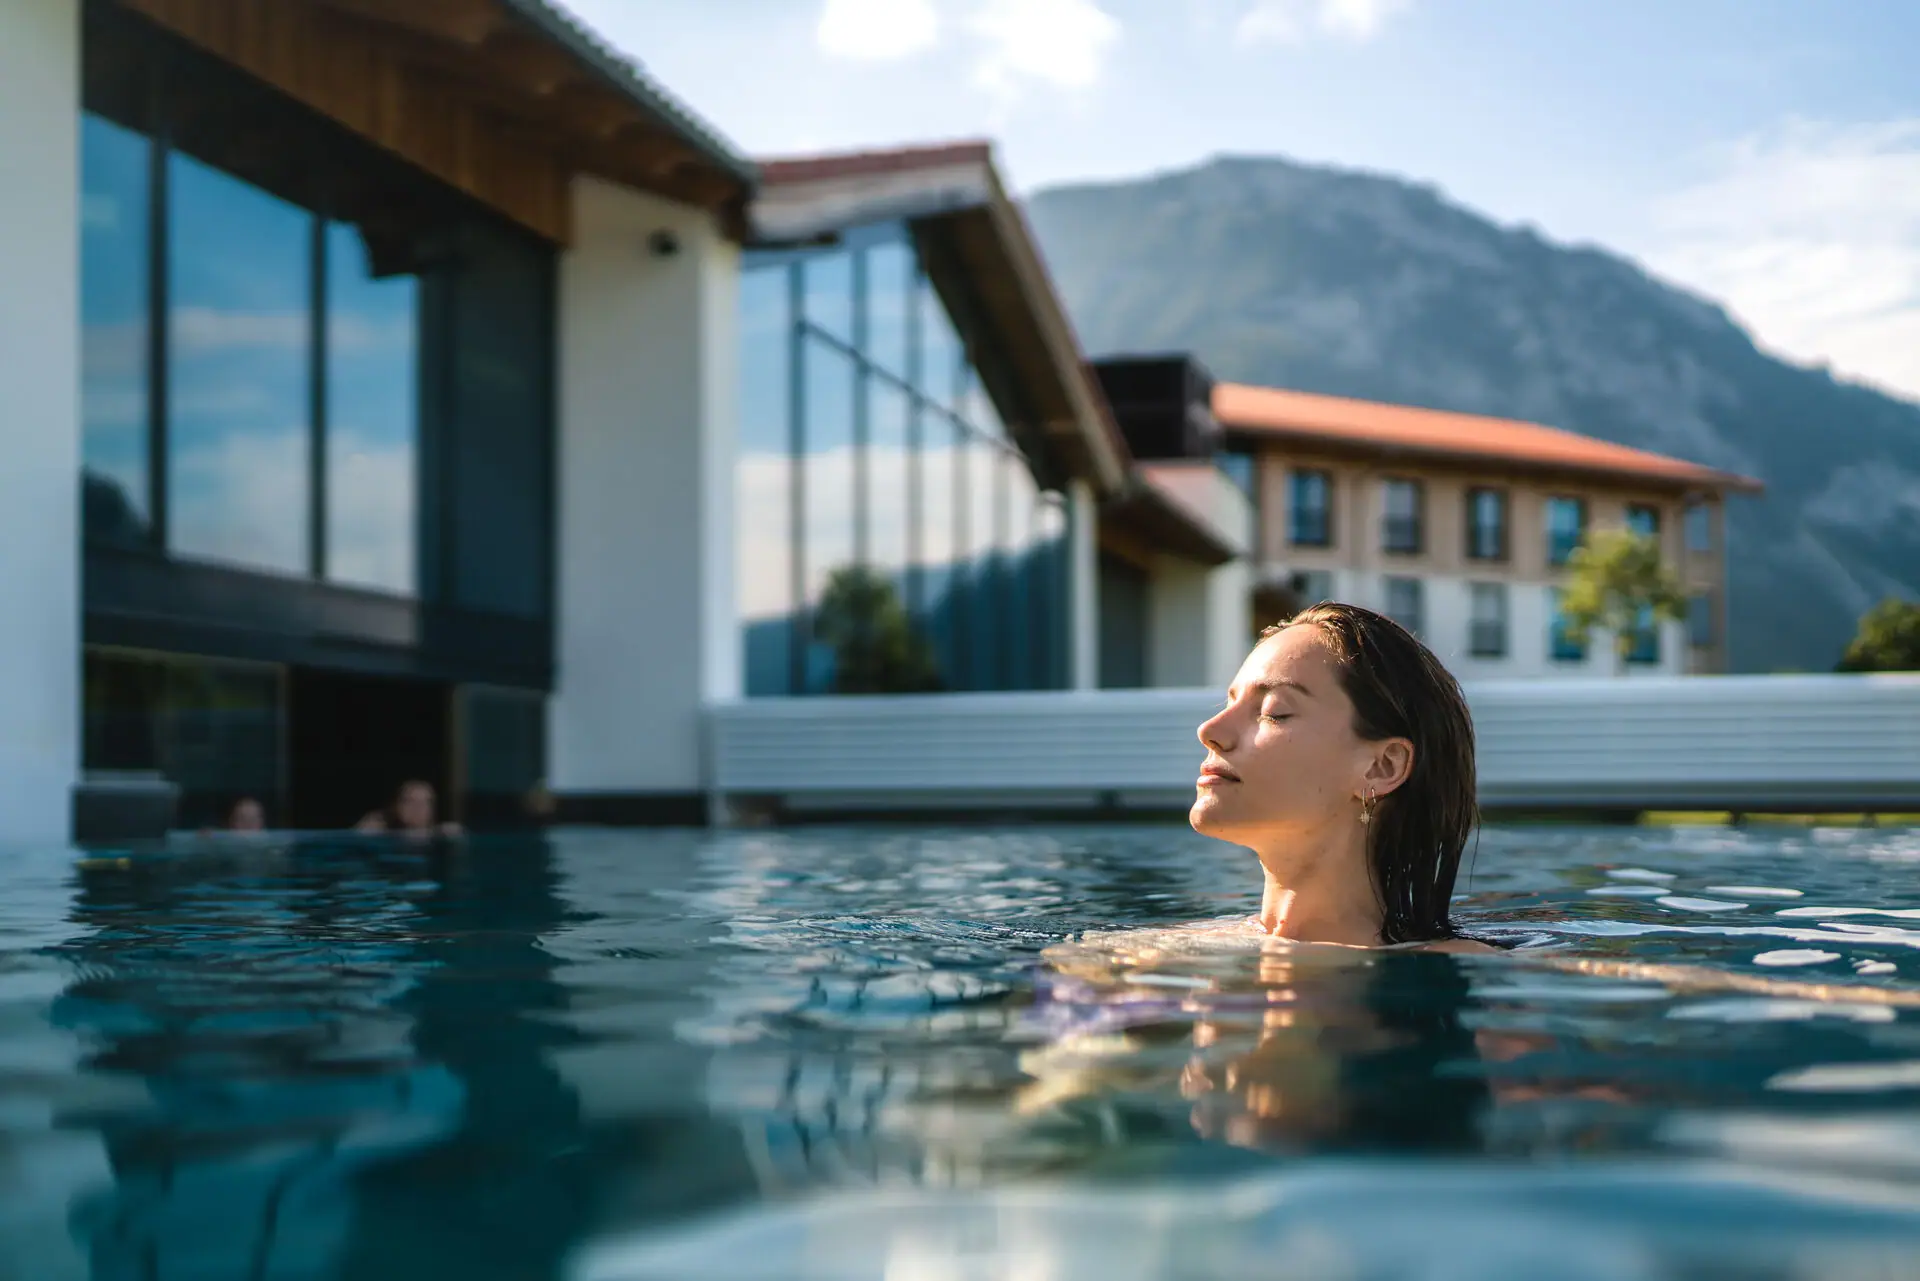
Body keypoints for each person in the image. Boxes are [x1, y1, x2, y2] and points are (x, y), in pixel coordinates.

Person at [1191, 601, 1491, 951]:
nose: (1209, 730)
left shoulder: (1476, 967)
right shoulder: (1151, 954)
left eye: (1275, 711)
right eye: (1228, 705)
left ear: (1382, 767)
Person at [355, 779, 463, 838]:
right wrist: (363, 834)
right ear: (396, 806)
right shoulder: (380, 833)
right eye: (410, 801)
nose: (417, 808)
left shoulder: (443, 836)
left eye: (425, 802)